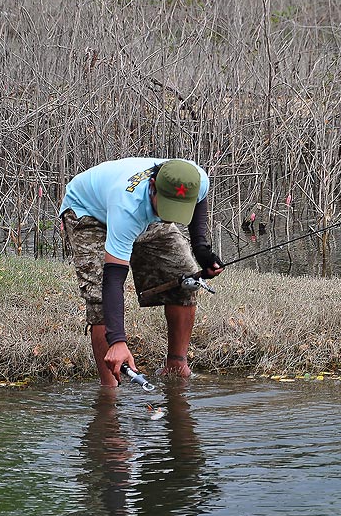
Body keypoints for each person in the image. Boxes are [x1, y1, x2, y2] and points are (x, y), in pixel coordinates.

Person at [60, 157, 223, 386]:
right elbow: (113, 277)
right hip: (88, 212)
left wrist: (202, 249)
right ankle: (110, 391)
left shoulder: (197, 179)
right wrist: (117, 340)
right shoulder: (127, 205)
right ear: (153, 186)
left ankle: (176, 366)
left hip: (144, 212)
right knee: (100, 300)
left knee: (186, 274)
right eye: (168, 206)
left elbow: (200, 201)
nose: (172, 215)